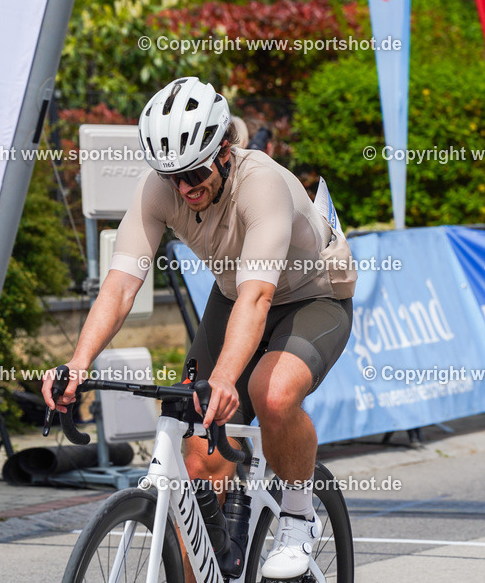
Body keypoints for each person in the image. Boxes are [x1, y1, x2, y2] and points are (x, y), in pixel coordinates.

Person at [43, 76, 356, 580]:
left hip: (311, 298)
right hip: (236, 295)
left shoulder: (264, 184)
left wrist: (227, 378)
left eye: (194, 173)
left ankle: (298, 515)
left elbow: (260, 296)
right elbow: (120, 287)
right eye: (173, 178)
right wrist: (77, 364)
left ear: (225, 151)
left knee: (271, 393)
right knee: (199, 460)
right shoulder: (159, 189)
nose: (185, 189)